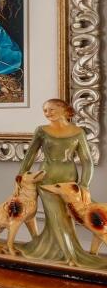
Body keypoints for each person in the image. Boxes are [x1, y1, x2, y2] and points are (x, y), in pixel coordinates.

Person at [17, 98, 106, 267]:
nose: (47, 113)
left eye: (51, 109)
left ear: (64, 110)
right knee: (56, 217)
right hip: (46, 178)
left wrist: (85, 184)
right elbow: (30, 155)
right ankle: (69, 256)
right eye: (45, 110)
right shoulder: (42, 130)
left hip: (69, 180)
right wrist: (21, 177)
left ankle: (54, 250)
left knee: (67, 217)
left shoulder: (78, 131)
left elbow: (87, 161)